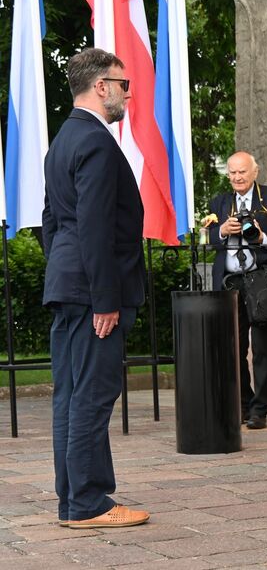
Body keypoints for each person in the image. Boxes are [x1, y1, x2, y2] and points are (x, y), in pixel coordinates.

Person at [42, 47, 149, 528]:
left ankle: (75, 500)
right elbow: (96, 227)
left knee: (70, 394)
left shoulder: (63, 139)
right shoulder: (96, 142)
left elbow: (51, 223)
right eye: (123, 84)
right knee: (92, 394)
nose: (128, 93)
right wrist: (104, 298)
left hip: (68, 284)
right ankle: (87, 502)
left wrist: (64, 273)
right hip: (91, 292)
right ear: (101, 86)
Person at [207, 151, 267, 430]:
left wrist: (261, 236)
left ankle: (260, 410)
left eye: (242, 172)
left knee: (261, 349)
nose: (237, 177)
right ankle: (243, 404)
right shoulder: (220, 202)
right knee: (234, 348)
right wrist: (222, 230)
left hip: (263, 283)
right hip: (230, 282)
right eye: (232, 172)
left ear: (255, 172)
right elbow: (210, 240)